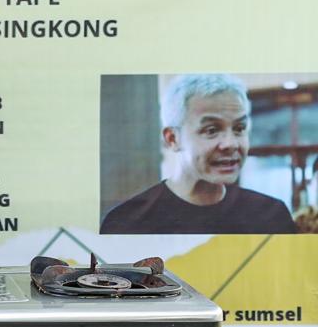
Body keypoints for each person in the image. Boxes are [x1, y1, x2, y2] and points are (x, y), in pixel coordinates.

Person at [101, 73, 297, 234]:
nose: (230, 144)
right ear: (172, 139)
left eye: (239, 128)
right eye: (211, 130)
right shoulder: (127, 224)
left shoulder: (271, 216)